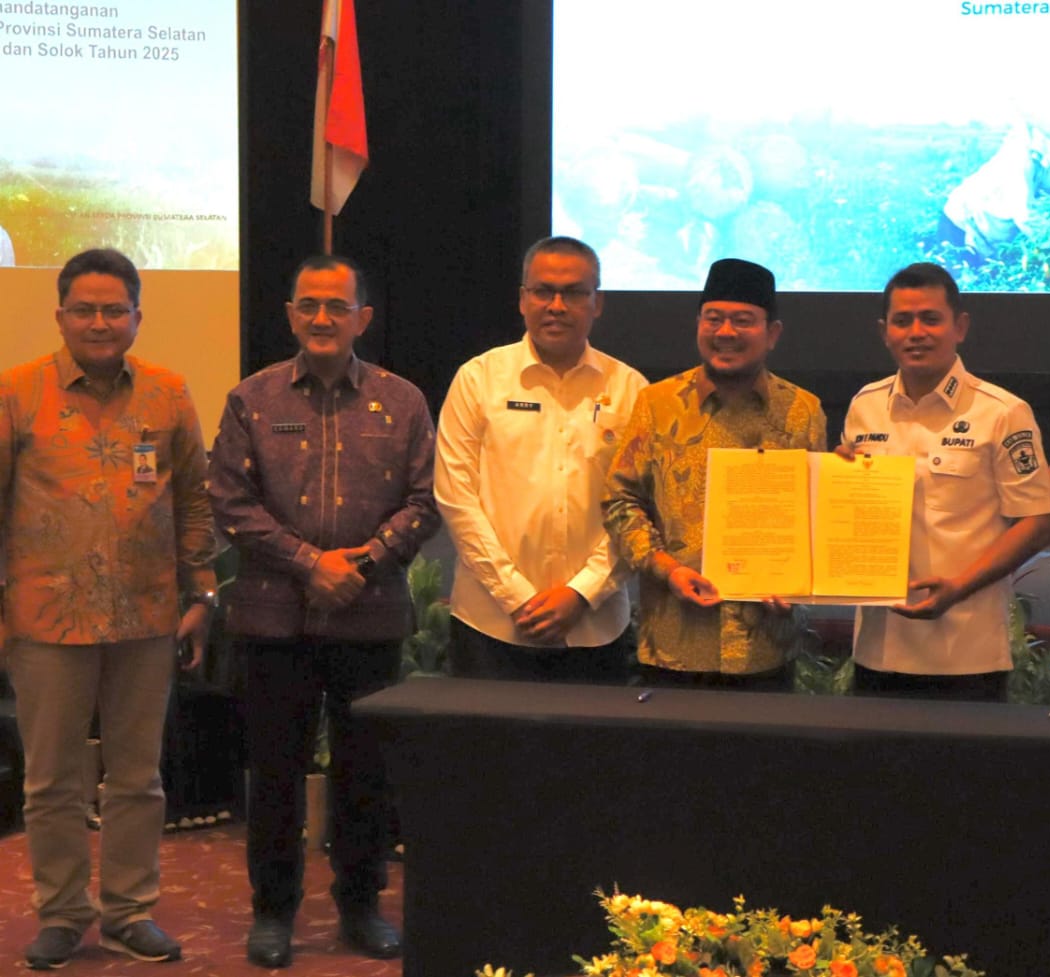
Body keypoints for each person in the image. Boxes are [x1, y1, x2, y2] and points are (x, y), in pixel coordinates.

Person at [208, 255, 439, 969]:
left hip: (370, 614)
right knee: (274, 773)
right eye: (308, 304)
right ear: (289, 314)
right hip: (273, 618)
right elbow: (230, 502)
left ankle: (361, 904)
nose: (321, 318)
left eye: (337, 306)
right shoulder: (251, 398)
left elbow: (426, 500)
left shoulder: (403, 401)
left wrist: (360, 564)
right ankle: (273, 910)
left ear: (362, 317)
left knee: (364, 771)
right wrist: (311, 563)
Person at [1, 247, 216, 968]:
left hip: (146, 620)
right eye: (85, 310)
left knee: (137, 779)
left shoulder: (167, 392)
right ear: (60, 315)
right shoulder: (16, 392)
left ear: (136, 317)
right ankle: (63, 914)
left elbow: (193, 502)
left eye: (113, 310)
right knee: (51, 782)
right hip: (45, 622)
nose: (99, 322)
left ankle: (129, 912)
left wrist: (202, 593)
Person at [604, 258, 826, 689]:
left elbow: (814, 518)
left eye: (742, 321)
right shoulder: (657, 404)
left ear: (772, 333)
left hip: (766, 649)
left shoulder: (803, 412)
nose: (726, 332)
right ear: (698, 325)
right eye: (714, 318)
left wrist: (797, 586)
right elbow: (619, 501)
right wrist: (667, 568)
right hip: (674, 644)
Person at [839, 262, 1050, 700]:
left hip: (968, 654)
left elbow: (1037, 522)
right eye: (903, 321)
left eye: (930, 319)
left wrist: (958, 588)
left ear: (960, 327)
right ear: (885, 332)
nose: (916, 332)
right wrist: (835, 482)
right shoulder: (865, 406)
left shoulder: (1002, 412)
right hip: (878, 648)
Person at [435, 237, 646, 682]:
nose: (556, 306)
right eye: (543, 291)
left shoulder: (631, 390)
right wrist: (516, 597)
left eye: (573, 293)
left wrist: (582, 593)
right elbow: (457, 500)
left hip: (594, 627)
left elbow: (639, 510)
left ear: (597, 303)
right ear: (522, 299)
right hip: (489, 624)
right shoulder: (478, 379)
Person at [938, 96, 1050, 264]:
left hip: (988, 231)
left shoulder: (1039, 161)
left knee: (985, 268)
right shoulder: (1018, 160)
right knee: (962, 274)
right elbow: (1025, 217)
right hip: (960, 227)